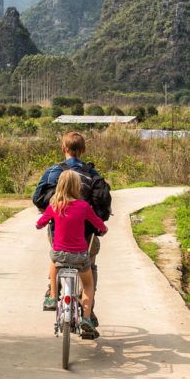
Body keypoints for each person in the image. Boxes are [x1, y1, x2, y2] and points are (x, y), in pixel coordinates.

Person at [31, 131, 112, 318]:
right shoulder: (92, 174)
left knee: (56, 256)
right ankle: (87, 312)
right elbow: (103, 206)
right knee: (90, 267)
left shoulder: (52, 172)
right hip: (87, 235)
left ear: (63, 148)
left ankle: (52, 289)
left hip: (58, 232)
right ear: (83, 150)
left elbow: (38, 198)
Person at [36, 169, 107, 337]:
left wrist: (39, 224)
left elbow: (40, 223)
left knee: (53, 259)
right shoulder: (84, 206)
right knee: (88, 285)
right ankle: (87, 318)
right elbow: (98, 223)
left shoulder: (55, 204)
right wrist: (103, 229)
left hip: (60, 255)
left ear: (59, 186)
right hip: (80, 256)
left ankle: (53, 296)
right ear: (78, 187)